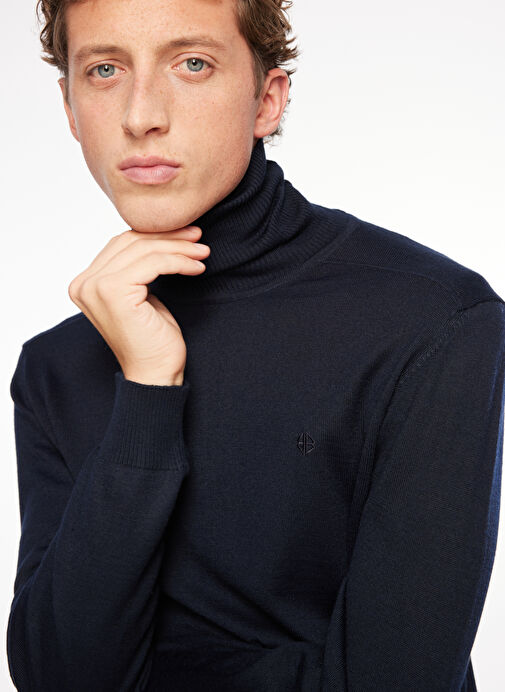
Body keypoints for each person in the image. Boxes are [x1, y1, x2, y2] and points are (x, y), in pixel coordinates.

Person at [6, 0, 505, 690]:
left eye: (192, 64)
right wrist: (146, 392)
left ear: (266, 100)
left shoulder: (433, 320)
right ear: (69, 108)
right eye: (104, 70)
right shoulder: (55, 367)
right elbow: (58, 676)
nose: (140, 115)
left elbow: (395, 678)